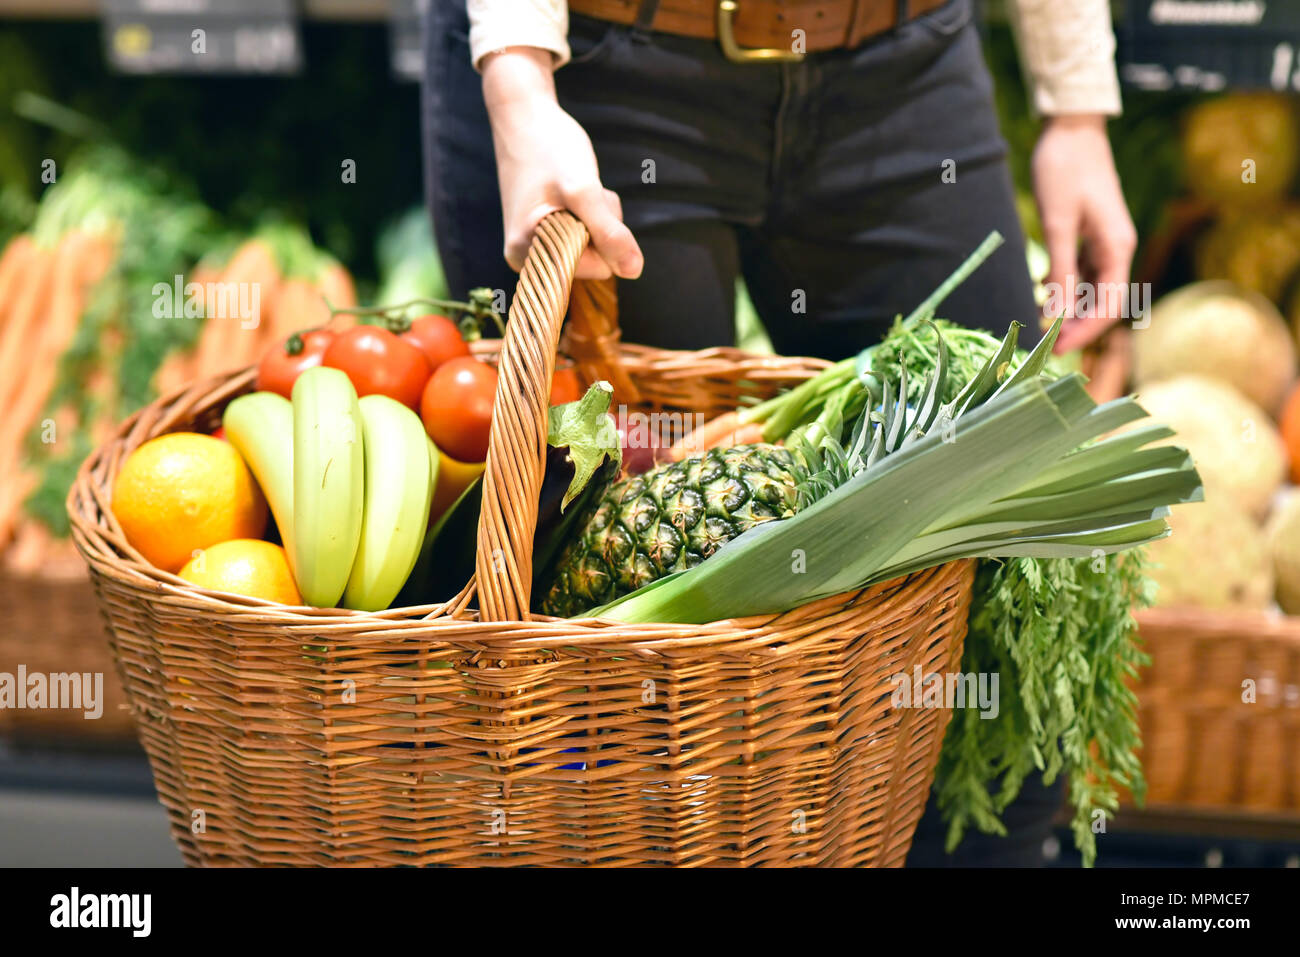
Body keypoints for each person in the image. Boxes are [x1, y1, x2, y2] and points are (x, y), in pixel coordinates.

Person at [421, 0, 1135, 864]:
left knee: (1007, 666)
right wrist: (519, 80)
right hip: (601, 70)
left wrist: (1076, 104)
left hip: (902, 64)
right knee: (636, 714)